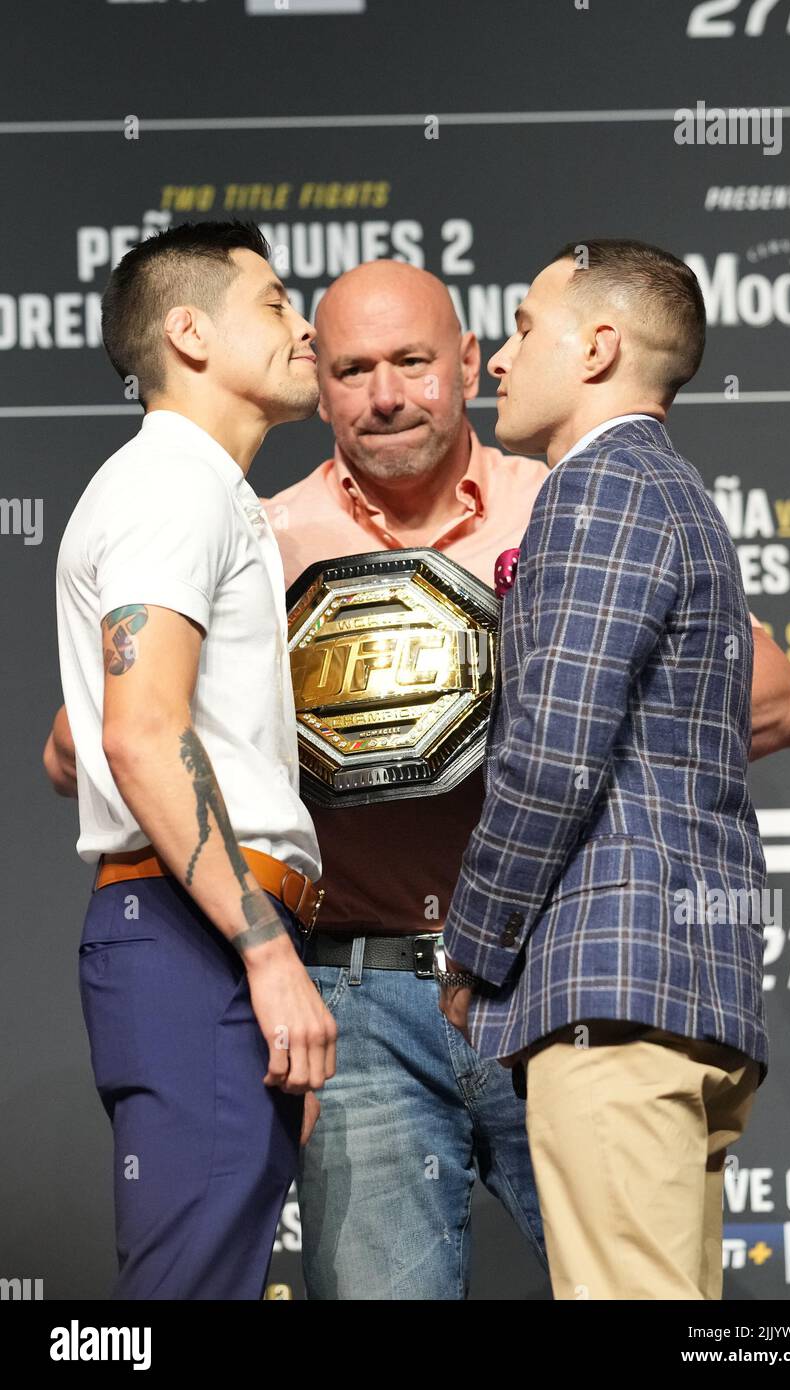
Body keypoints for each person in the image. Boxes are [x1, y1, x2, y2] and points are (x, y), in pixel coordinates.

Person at [46, 257, 790, 1302]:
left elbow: (770, 700)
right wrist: (298, 721)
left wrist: (539, 703)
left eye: (412, 361)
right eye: (353, 369)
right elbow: (90, 737)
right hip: (353, 996)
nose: (386, 395)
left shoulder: (560, 501)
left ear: (463, 362)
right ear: (319, 384)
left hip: (540, 981)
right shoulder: (260, 533)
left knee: (636, 1288)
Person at [438, 239, 785, 1301]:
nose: (496, 360)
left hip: (614, 994)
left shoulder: (598, 492)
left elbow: (549, 756)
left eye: (523, 329)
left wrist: (471, 945)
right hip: (683, 996)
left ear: (595, 348)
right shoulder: (675, 494)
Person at [49, 220, 336, 1300]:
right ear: (188, 332)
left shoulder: (195, 492)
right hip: (199, 937)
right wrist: (264, 956)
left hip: (194, 931)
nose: (301, 321)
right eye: (271, 300)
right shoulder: (171, 485)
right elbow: (132, 731)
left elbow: (80, 734)